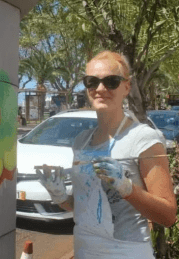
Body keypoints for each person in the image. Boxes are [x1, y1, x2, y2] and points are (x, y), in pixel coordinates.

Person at [36, 51, 177, 259]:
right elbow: (82, 208)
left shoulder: (144, 139)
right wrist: (60, 196)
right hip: (85, 251)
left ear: (126, 87)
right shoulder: (81, 141)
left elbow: (167, 216)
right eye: (92, 81)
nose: (100, 89)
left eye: (111, 81)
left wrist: (127, 189)